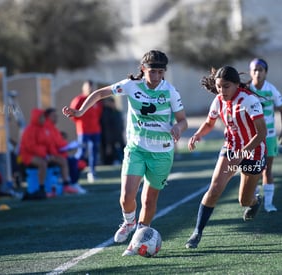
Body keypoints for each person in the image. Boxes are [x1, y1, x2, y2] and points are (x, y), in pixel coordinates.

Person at [63, 50, 188, 256]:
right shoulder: (131, 85)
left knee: (149, 200)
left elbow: (182, 119)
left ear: (164, 72)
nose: (155, 76)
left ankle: (138, 239)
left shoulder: (171, 92)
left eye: (159, 72)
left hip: (162, 153)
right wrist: (80, 111)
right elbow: (100, 93)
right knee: (126, 197)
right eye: (151, 72)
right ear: (142, 70)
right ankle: (129, 223)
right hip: (136, 148)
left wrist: (178, 128)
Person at [185, 65, 267, 249]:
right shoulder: (218, 101)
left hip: (253, 153)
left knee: (244, 201)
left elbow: (261, 133)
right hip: (230, 150)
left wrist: (243, 153)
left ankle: (255, 200)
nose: (222, 91)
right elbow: (209, 123)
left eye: (226, 86)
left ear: (237, 85)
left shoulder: (249, 101)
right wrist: (198, 135)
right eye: (219, 86)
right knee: (214, 189)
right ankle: (197, 232)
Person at [249, 58, 282, 212]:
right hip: (251, 137)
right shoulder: (246, 90)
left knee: (267, 169)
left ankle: (268, 204)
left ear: (265, 73)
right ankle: (254, 200)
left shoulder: (271, 89)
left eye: (261, 70)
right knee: (252, 169)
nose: (257, 73)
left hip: (269, 136)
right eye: (255, 70)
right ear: (250, 72)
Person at [19, 109, 74, 199]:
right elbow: (31, 146)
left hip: (43, 155)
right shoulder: (29, 130)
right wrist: (45, 155)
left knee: (62, 160)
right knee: (42, 164)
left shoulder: (45, 129)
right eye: (41, 117)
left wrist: (52, 155)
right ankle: (41, 188)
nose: (43, 119)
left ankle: (66, 185)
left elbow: (50, 144)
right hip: (29, 155)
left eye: (43, 117)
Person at [44, 108, 86, 194]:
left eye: (56, 116)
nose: (56, 118)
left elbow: (59, 143)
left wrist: (68, 146)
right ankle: (70, 184)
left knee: (80, 163)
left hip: (58, 154)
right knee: (72, 162)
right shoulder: (46, 128)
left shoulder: (52, 128)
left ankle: (72, 183)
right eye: (53, 116)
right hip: (52, 155)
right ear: (47, 117)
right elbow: (50, 145)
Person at [69, 80, 103, 183]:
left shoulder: (96, 100)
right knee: (81, 152)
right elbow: (72, 114)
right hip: (83, 131)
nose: (90, 89)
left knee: (94, 152)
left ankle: (92, 173)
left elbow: (98, 113)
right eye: (88, 87)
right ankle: (73, 172)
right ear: (83, 88)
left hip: (95, 130)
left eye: (92, 87)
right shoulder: (78, 100)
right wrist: (81, 123)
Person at [100, 97, 125, 165]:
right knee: (110, 149)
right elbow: (106, 125)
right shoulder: (106, 112)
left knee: (122, 147)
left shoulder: (117, 112)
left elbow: (120, 123)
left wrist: (121, 130)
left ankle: (122, 160)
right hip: (109, 135)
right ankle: (112, 161)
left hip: (118, 134)